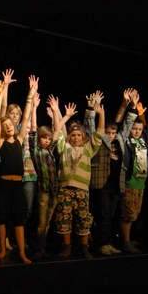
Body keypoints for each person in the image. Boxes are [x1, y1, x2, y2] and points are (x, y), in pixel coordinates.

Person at [50, 92, 105, 259]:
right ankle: (67, 246)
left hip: (81, 190)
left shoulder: (88, 149)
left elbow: (99, 133)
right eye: (73, 135)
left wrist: (101, 114)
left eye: (79, 135)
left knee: (83, 218)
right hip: (65, 188)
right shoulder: (64, 147)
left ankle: (84, 248)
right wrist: (57, 112)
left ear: (83, 137)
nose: (75, 138)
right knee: (64, 218)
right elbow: (57, 131)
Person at [84, 89, 135, 256]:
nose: (111, 136)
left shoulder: (120, 139)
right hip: (102, 183)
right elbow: (90, 127)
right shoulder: (99, 139)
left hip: (116, 183)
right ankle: (101, 244)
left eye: (113, 133)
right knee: (103, 215)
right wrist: (91, 109)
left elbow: (127, 125)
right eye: (108, 132)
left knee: (111, 215)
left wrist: (132, 106)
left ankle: (108, 242)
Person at [0, 76, 35, 264]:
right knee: (2, 219)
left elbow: (25, 117)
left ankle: (22, 253)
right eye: (5, 126)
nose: (8, 126)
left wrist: (30, 96)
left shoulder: (20, 139)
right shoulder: (1, 142)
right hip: (3, 185)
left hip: (18, 186)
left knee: (19, 220)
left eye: (10, 124)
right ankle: (2, 249)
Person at [115, 89, 148, 253]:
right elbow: (121, 123)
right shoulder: (125, 139)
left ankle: (129, 239)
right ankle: (125, 241)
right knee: (127, 214)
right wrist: (131, 106)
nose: (136, 131)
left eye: (139, 129)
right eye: (134, 129)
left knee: (135, 214)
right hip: (129, 182)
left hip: (141, 183)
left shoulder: (143, 138)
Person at [28, 94, 60, 258]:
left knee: (47, 222)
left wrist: (56, 112)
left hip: (54, 190)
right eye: (44, 138)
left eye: (48, 138)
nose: (47, 141)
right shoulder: (37, 150)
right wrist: (34, 107)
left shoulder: (50, 151)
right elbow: (34, 129)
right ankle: (38, 249)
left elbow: (58, 130)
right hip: (44, 191)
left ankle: (42, 248)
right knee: (41, 223)